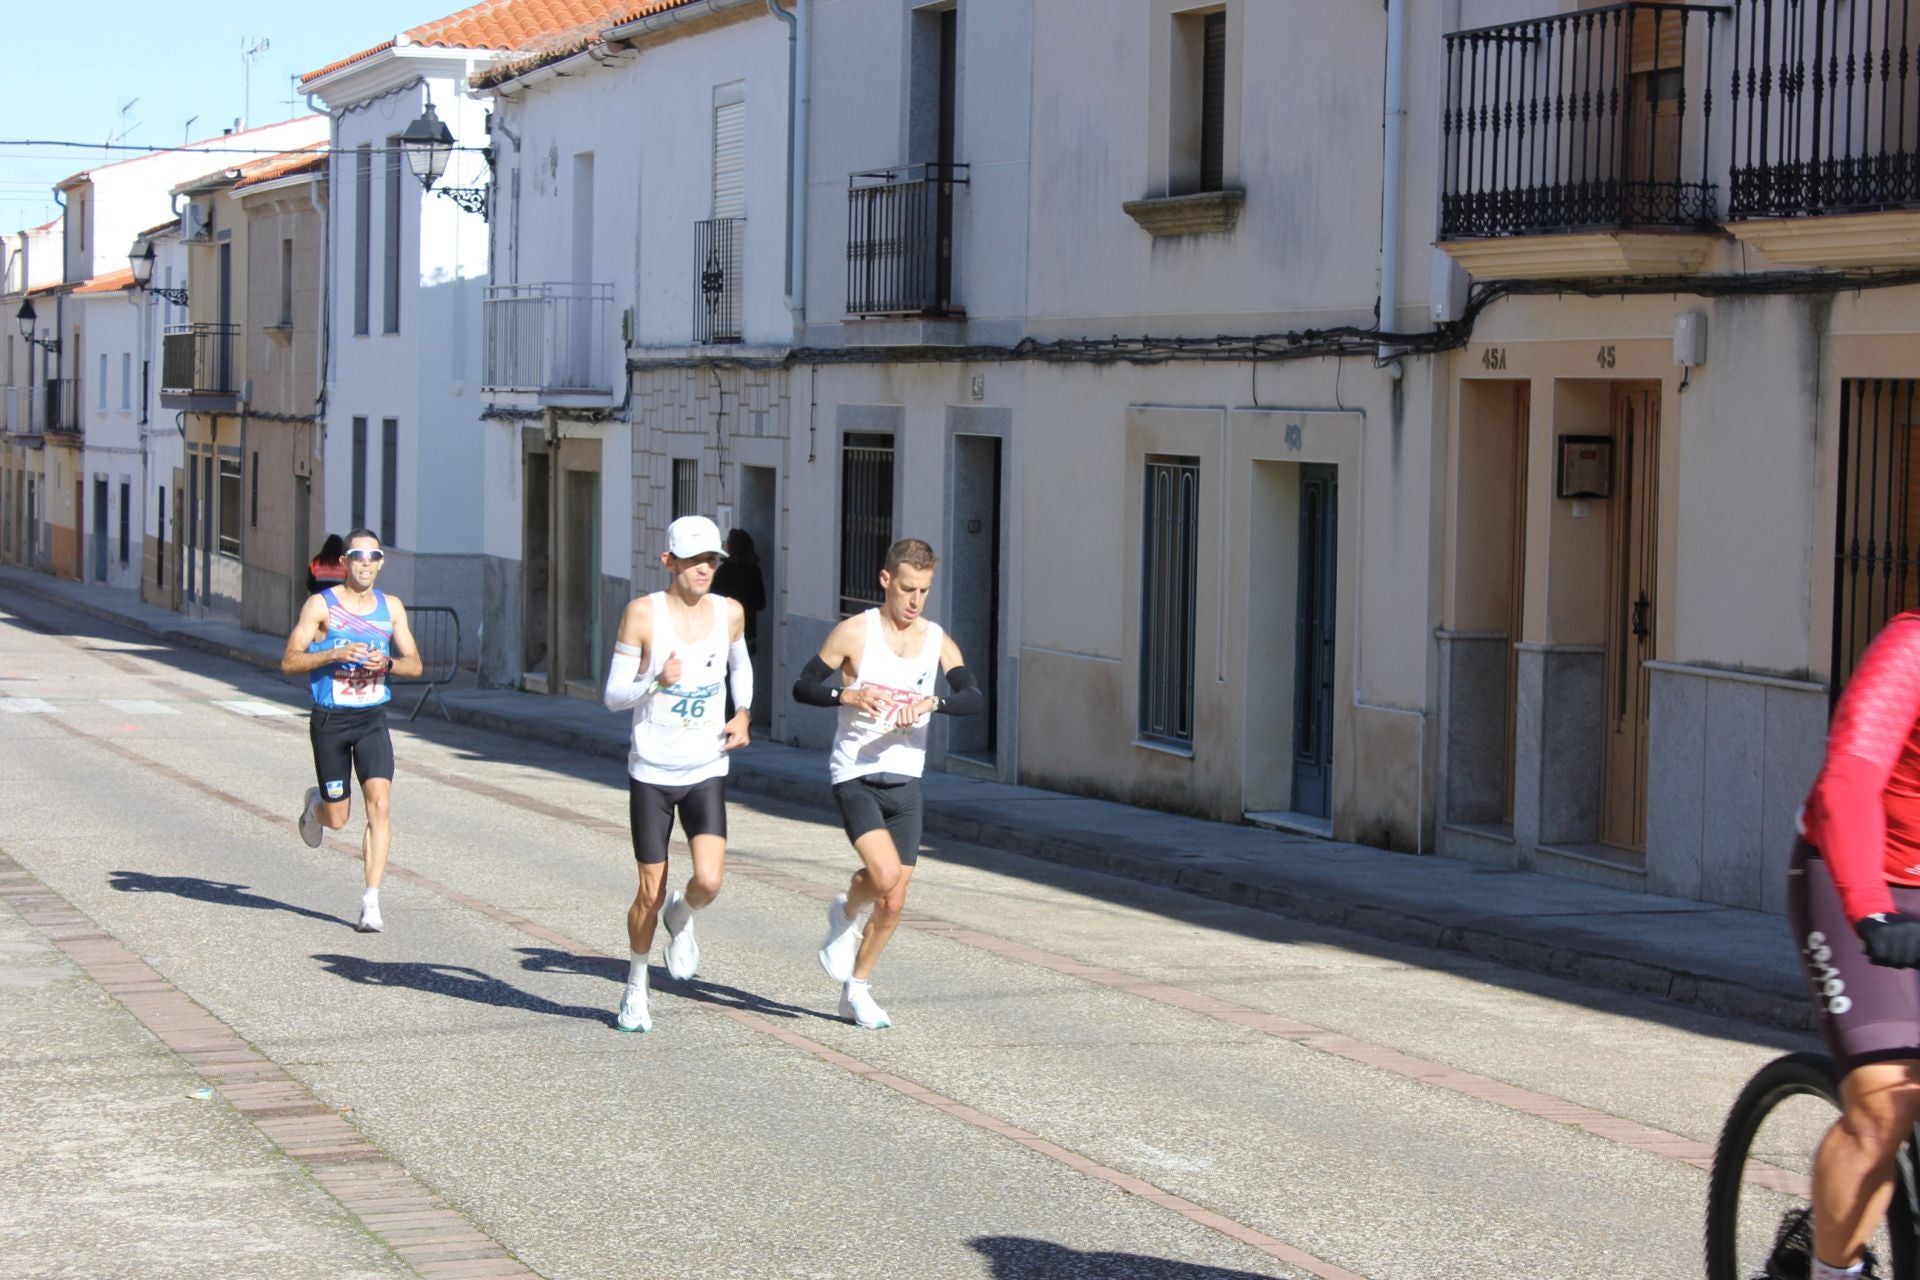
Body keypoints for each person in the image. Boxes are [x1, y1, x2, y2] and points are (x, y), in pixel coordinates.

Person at [791, 537, 982, 1028]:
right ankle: (844, 913)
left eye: (924, 590)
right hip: (855, 772)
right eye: (907, 589)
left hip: (906, 779)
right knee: (883, 876)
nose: (914, 601)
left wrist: (931, 703)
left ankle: (856, 989)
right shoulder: (856, 633)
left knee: (894, 902)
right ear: (885, 580)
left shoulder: (937, 640)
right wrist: (848, 695)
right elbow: (804, 686)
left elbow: (972, 696)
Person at [1790, 611, 1920, 1280]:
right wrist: (1871, 911)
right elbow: (1851, 778)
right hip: (1866, 885)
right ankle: (1830, 1271)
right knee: (1882, 1106)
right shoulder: (1912, 650)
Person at [602, 515, 753, 1033]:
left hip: (706, 766)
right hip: (651, 772)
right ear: (669, 562)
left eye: (711, 560)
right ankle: (636, 988)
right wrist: (654, 681)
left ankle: (681, 918)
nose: (704, 569)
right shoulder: (642, 615)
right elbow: (613, 696)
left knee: (708, 881)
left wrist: (744, 713)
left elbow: (740, 666)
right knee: (649, 890)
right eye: (693, 561)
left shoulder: (729, 613)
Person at [280, 528, 423, 932]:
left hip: (372, 718)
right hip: (331, 719)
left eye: (372, 556)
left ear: (381, 562)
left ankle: (371, 901)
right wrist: (335, 652)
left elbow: (415, 663)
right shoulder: (320, 606)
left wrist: (389, 665)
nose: (365, 563)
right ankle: (316, 807)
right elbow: (289, 660)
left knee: (380, 804)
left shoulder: (391, 608)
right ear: (344, 562)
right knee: (338, 818)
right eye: (357, 557)